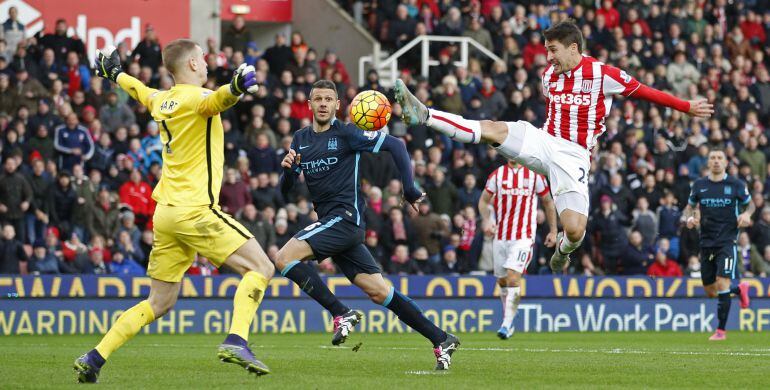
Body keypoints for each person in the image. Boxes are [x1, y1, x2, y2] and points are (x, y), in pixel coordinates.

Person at [394, 20, 713, 274]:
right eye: (547, 50)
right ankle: (425, 114)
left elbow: (645, 92)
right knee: (493, 129)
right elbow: (553, 103)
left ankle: (563, 251)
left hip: (574, 155)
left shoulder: (603, 74)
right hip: (544, 141)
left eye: (553, 50)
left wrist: (685, 106)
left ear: (574, 48)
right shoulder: (550, 76)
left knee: (575, 230)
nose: (548, 57)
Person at [74, 39, 274, 382]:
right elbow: (219, 99)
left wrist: (115, 73)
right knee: (261, 267)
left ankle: (94, 357)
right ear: (193, 65)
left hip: (165, 213)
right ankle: (236, 339)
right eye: (203, 58)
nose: (207, 64)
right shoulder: (198, 99)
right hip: (195, 209)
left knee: (160, 302)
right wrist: (237, 86)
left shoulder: (161, 99)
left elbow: (138, 89)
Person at [277, 80, 459, 370]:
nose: (323, 103)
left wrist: (409, 188)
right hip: (333, 224)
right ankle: (441, 338)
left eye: (328, 99)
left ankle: (341, 312)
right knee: (378, 291)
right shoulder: (300, 139)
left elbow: (396, 145)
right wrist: (288, 172)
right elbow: (285, 191)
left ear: (338, 105)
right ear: (309, 104)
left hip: (346, 218)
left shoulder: (348, 133)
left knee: (283, 257)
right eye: (317, 99)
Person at [478, 160, 557, 339]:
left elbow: (548, 202)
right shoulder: (497, 175)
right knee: (502, 281)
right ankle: (510, 314)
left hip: (523, 237)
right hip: (501, 237)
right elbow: (483, 201)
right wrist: (487, 220)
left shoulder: (534, 175)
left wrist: (553, 230)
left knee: (514, 277)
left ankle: (507, 323)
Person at [682, 148, 753, 341]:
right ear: (708, 162)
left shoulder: (736, 184)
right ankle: (739, 290)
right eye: (712, 158)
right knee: (711, 291)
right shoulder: (699, 185)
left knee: (722, 281)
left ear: (726, 162)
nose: (716, 161)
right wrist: (689, 218)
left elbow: (750, 204)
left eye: (719, 158)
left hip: (727, 241)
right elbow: (690, 206)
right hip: (706, 242)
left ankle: (720, 331)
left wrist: (746, 214)